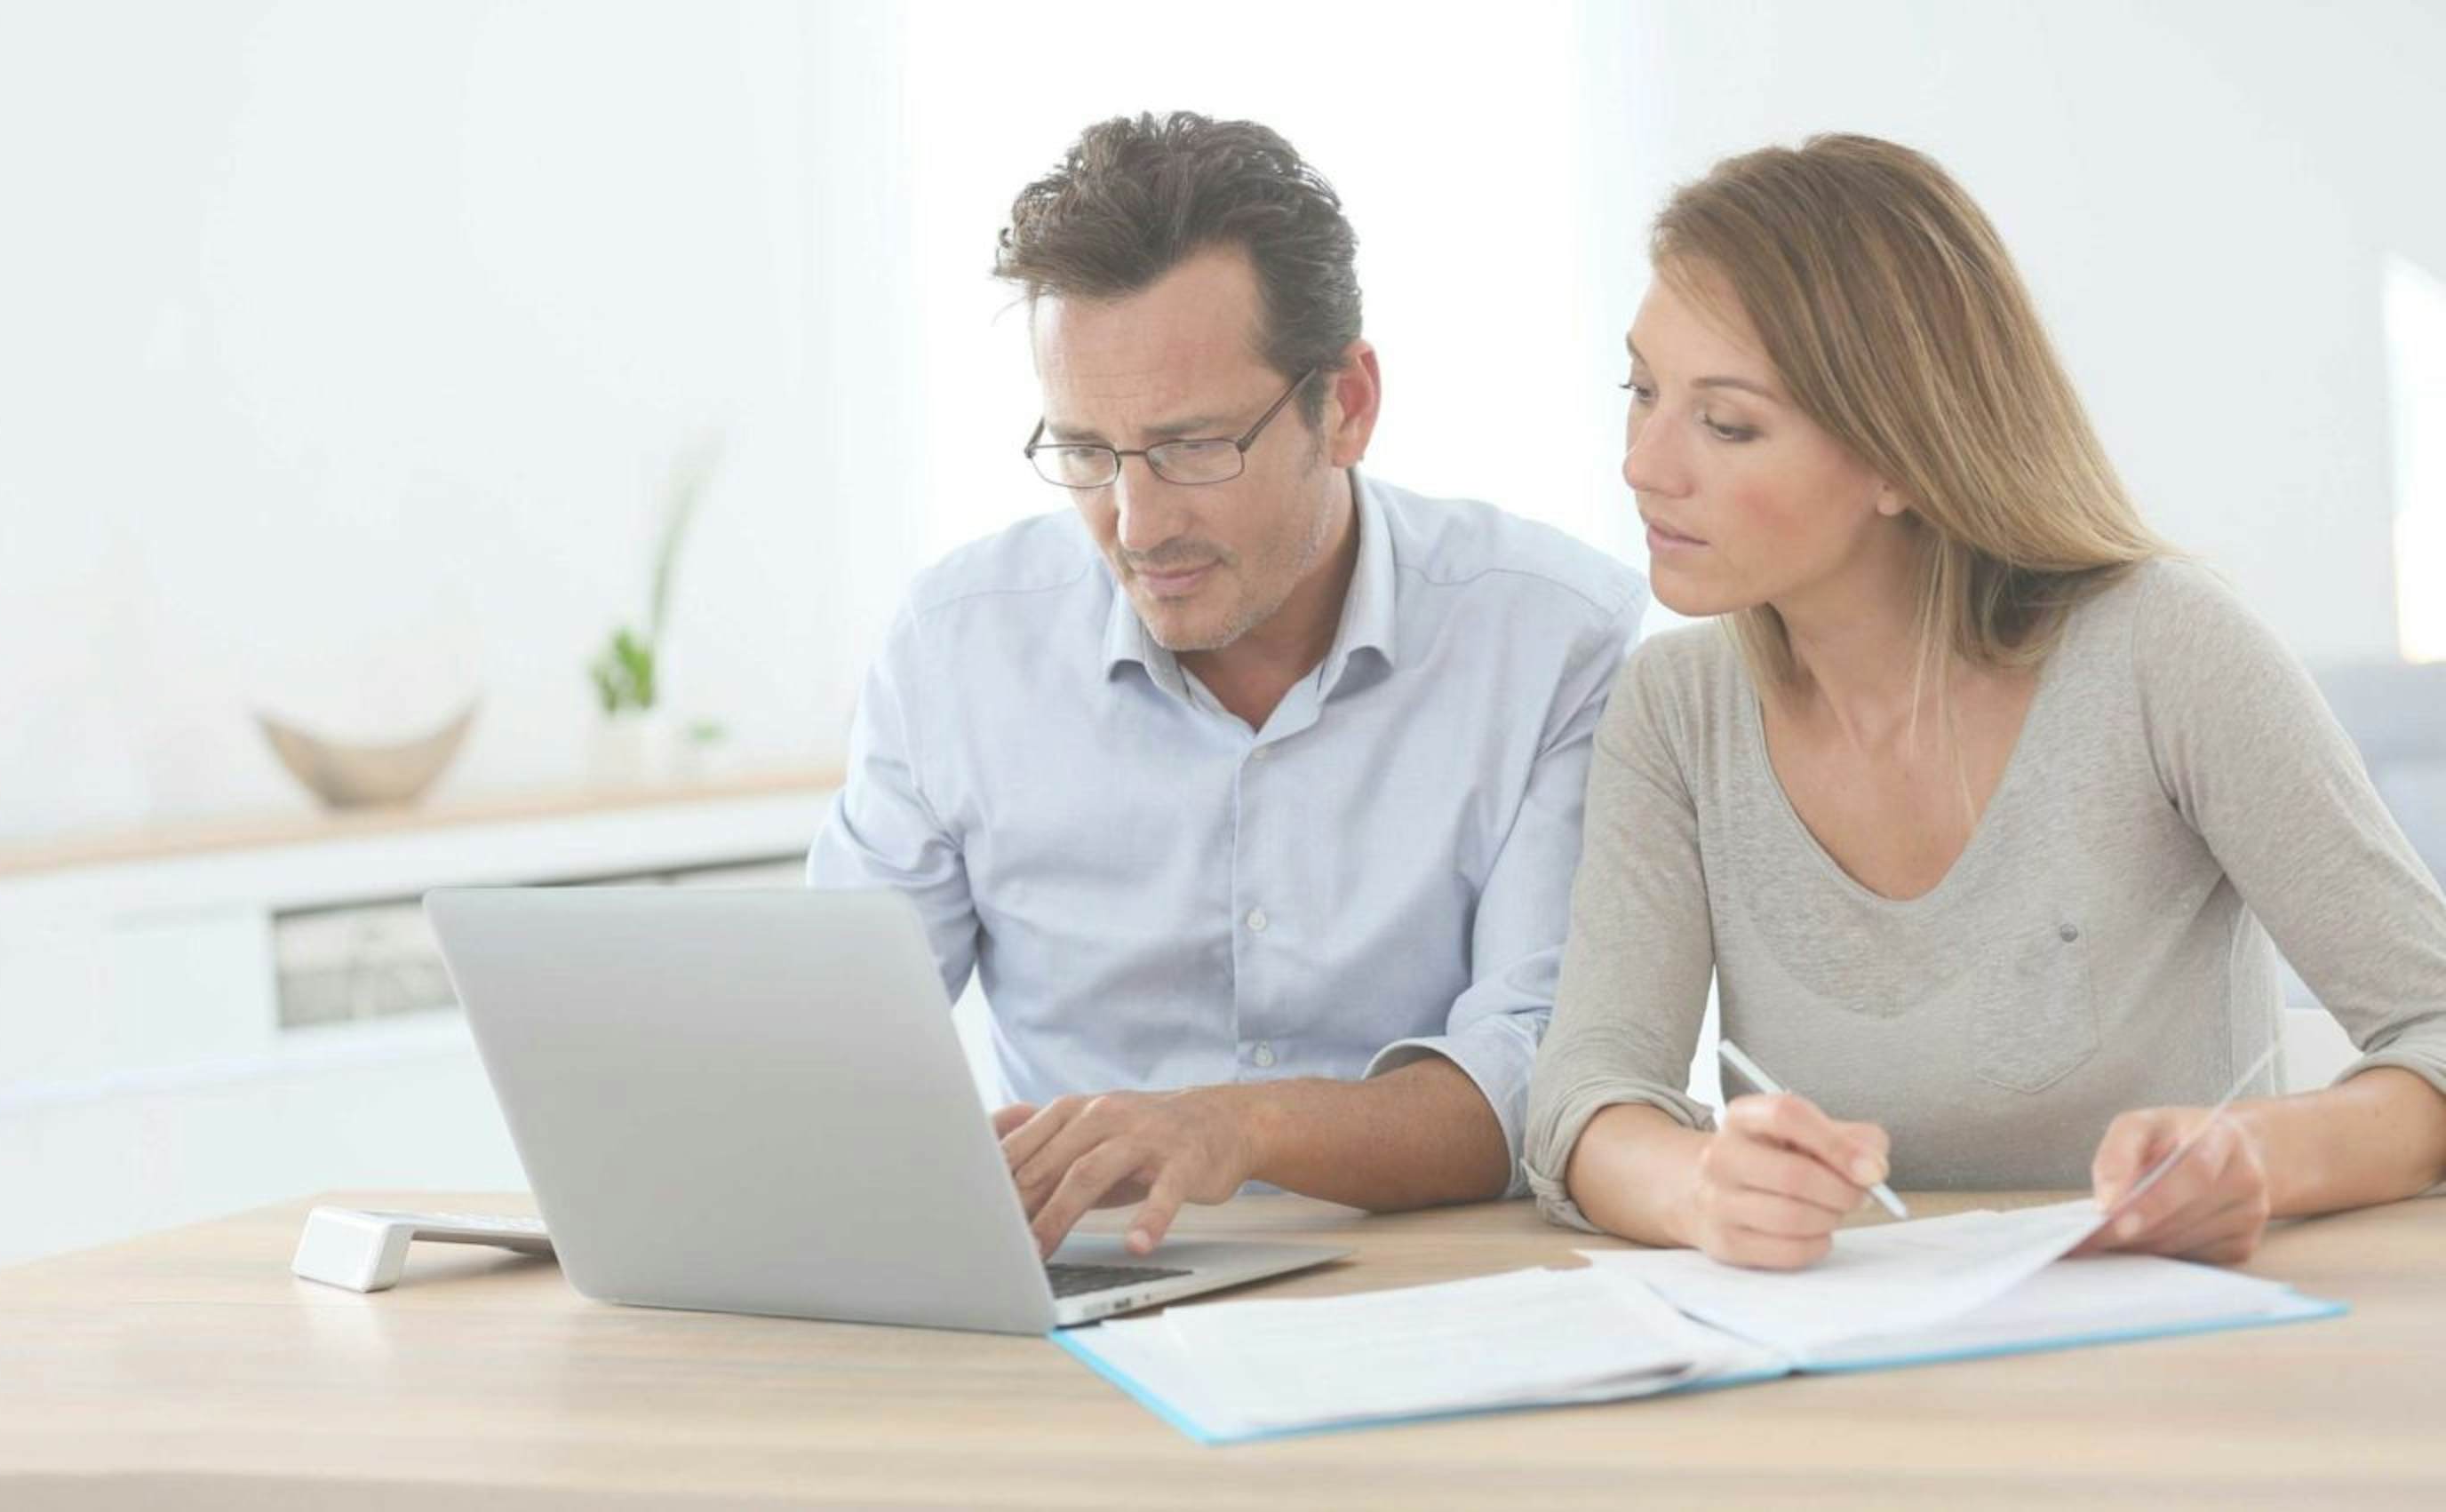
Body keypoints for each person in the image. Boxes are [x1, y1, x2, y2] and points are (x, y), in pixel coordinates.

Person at [1526, 133, 2446, 1269]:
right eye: (1642, 391)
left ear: (1900, 459)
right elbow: (1588, 1094)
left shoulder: (2168, 651)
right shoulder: (1677, 709)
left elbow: (2435, 1034)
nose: (1643, 465)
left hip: (2171, 1367)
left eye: (1726, 423)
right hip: (1852, 1376)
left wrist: (2259, 1156)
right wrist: (1697, 1186)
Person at [809, 112, 1644, 1258]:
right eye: (1087, 453)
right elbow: (831, 1043)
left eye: (1194, 446)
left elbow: (1542, 1077)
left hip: (1431, 1288)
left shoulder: (1555, 638)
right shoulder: (954, 647)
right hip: (1081, 1299)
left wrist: (1235, 1127)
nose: (1137, 524)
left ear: (1344, 406)